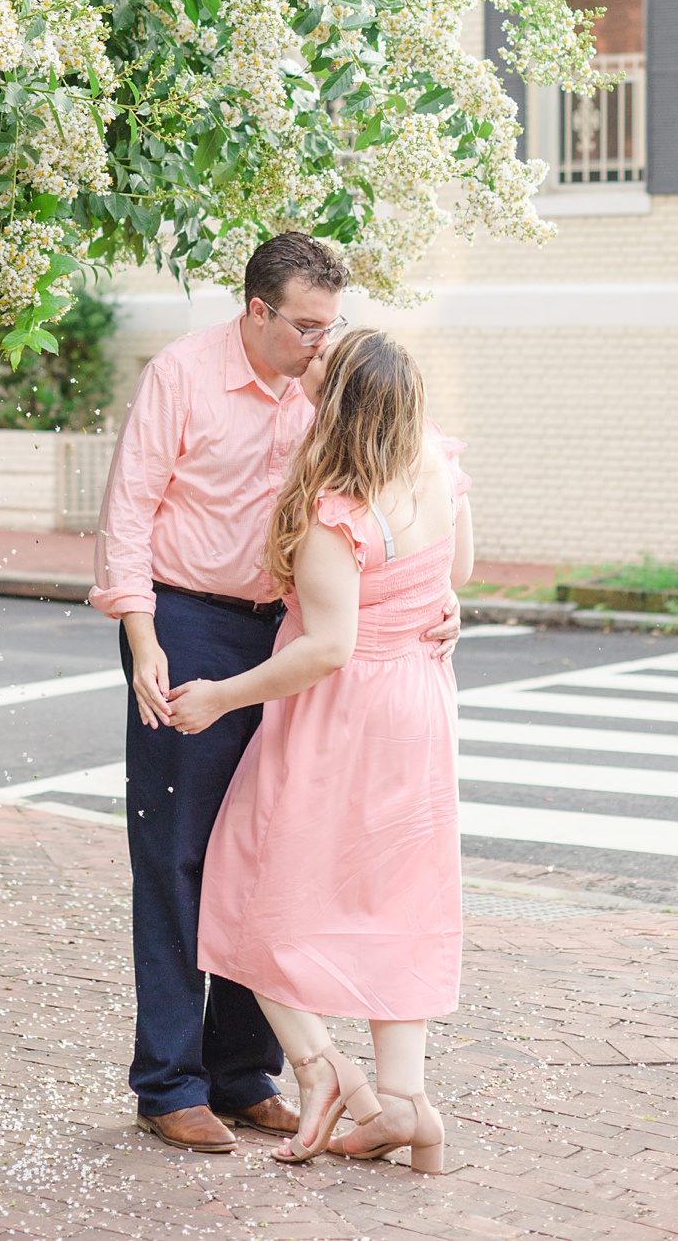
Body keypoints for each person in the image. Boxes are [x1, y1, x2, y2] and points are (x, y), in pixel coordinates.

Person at [88, 233, 457, 1152]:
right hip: (192, 621)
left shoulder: (328, 393)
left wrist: (445, 597)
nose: (322, 344)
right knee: (176, 855)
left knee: (277, 849)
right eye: (306, 325)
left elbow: (397, 493)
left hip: (294, 637)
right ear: (257, 310)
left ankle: (243, 1071)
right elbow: (128, 513)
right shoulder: (180, 376)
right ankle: (170, 1082)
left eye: (334, 326)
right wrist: (142, 638)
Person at [166, 330, 469, 1175]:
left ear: (339, 408)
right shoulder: (438, 465)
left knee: (245, 884)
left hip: (344, 713)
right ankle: (402, 1102)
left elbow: (328, 646)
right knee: (394, 897)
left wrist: (221, 694)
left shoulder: (339, 512)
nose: (308, 366)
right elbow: (459, 569)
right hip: (420, 703)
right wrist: (441, 606)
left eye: (322, 370)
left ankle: (320, 1068)